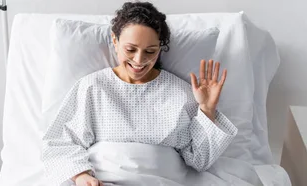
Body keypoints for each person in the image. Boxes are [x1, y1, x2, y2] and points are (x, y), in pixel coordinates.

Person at [41, 2, 237, 186]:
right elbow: (59, 143)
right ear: (115, 41)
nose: (139, 60)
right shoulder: (92, 88)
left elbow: (199, 160)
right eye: (130, 49)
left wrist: (207, 109)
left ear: (160, 48)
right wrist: (80, 175)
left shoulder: (180, 93)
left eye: (150, 52)